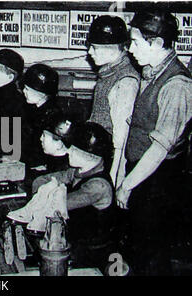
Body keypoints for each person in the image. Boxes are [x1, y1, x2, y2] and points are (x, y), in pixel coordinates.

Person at [117, 10, 192, 275]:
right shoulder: (152, 71)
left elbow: (160, 149)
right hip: (144, 177)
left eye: (136, 42)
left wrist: (127, 185)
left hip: (159, 184)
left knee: (153, 257)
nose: (130, 48)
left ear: (157, 43)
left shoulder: (177, 85)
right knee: (140, 252)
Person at [8, 117, 116, 272]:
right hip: (73, 244)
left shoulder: (98, 186)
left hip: (91, 255)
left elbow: (58, 205)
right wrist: (47, 191)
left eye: (74, 149)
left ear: (90, 156)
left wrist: (46, 194)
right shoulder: (78, 171)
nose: (68, 151)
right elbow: (40, 181)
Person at [87, 15, 140, 188]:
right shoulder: (109, 72)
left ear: (111, 49)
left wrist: (114, 182)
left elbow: (121, 142)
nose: (90, 52)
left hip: (110, 162)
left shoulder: (125, 82)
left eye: (94, 48)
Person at [19, 64, 66, 187]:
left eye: (27, 89)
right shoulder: (32, 109)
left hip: (43, 170)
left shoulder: (54, 116)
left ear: (42, 93)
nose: (24, 92)